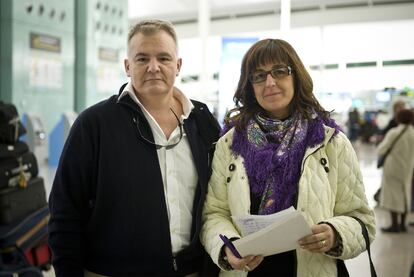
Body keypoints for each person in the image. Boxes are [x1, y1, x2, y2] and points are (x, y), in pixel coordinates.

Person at [48, 19, 220, 276]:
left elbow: (217, 201)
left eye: (164, 58)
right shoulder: (94, 125)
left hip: (190, 271)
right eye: (142, 59)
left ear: (178, 65)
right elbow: (65, 211)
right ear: (128, 67)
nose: (154, 67)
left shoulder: (202, 122)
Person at [200, 38, 375, 276]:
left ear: (296, 76)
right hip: (247, 270)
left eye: (279, 71)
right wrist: (227, 247)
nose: (270, 82)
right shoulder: (229, 144)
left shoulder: (331, 143)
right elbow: (214, 214)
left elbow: (361, 219)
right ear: (249, 86)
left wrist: (335, 234)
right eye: (259, 76)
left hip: (314, 267)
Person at [377, 109, 414, 233]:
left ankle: (394, 225)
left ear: (398, 118)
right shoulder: (412, 133)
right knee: (405, 194)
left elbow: (381, 149)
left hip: (393, 168)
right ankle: (403, 224)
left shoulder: (394, 132)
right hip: (408, 168)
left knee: (392, 196)